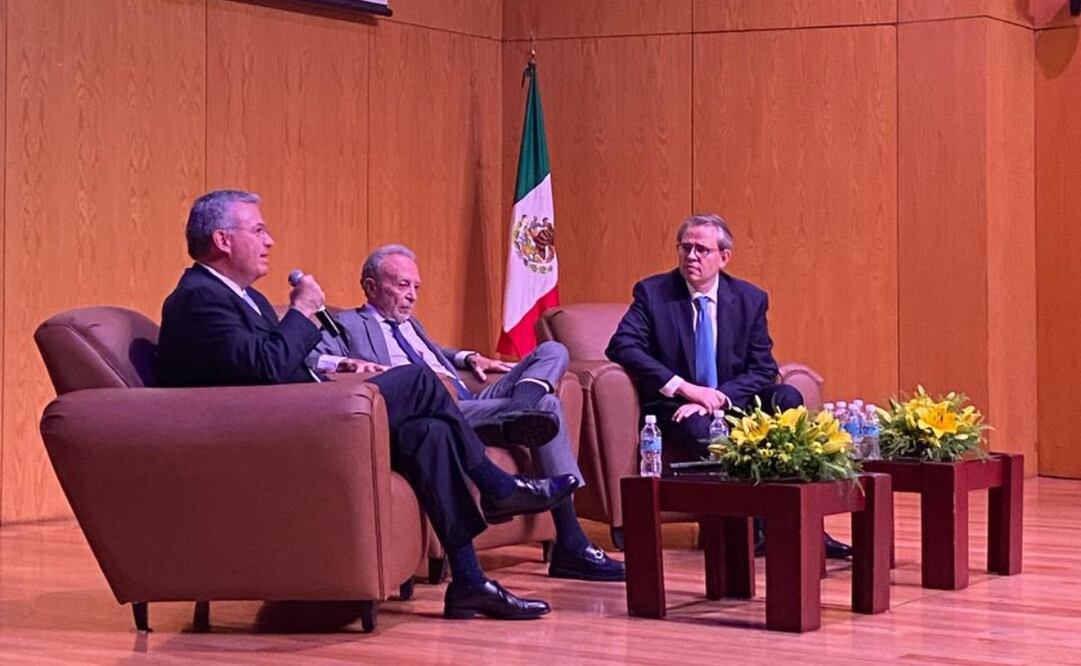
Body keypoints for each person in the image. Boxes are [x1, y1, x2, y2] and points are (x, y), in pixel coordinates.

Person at [157, 189, 579, 619]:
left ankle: (470, 581)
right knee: (417, 380)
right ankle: (497, 486)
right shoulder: (198, 298)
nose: (270, 241)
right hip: (273, 435)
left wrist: (333, 369)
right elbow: (267, 368)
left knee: (429, 433)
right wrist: (302, 313)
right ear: (223, 240)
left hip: (301, 411)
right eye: (259, 230)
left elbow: (279, 365)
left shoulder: (249, 299)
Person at [309, 244, 624, 582]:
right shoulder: (345, 324)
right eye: (402, 285)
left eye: (416, 287)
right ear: (371, 286)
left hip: (475, 399)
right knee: (547, 408)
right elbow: (309, 359)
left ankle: (521, 409)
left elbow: (432, 353)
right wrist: (342, 362)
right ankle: (572, 543)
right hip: (444, 411)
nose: (412, 296)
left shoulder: (412, 324)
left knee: (552, 351)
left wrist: (467, 357)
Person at [606, 213, 851, 559]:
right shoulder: (653, 293)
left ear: (724, 257)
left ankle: (807, 528)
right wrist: (685, 389)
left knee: (787, 398)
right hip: (678, 407)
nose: (691, 256)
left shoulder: (749, 299)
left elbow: (763, 367)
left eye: (701, 250)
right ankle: (750, 528)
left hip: (730, 401)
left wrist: (717, 398)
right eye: (685, 248)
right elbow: (622, 346)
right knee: (697, 425)